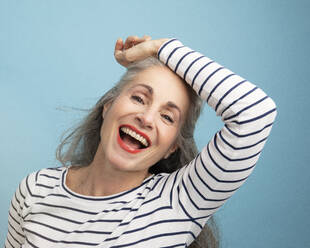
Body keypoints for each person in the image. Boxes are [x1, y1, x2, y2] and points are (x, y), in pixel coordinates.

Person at [5, 35, 277, 248]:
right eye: (139, 98)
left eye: (168, 117)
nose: (147, 118)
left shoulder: (178, 201)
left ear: (173, 146)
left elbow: (256, 114)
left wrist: (161, 48)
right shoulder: (36, 188)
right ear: (108, 106)